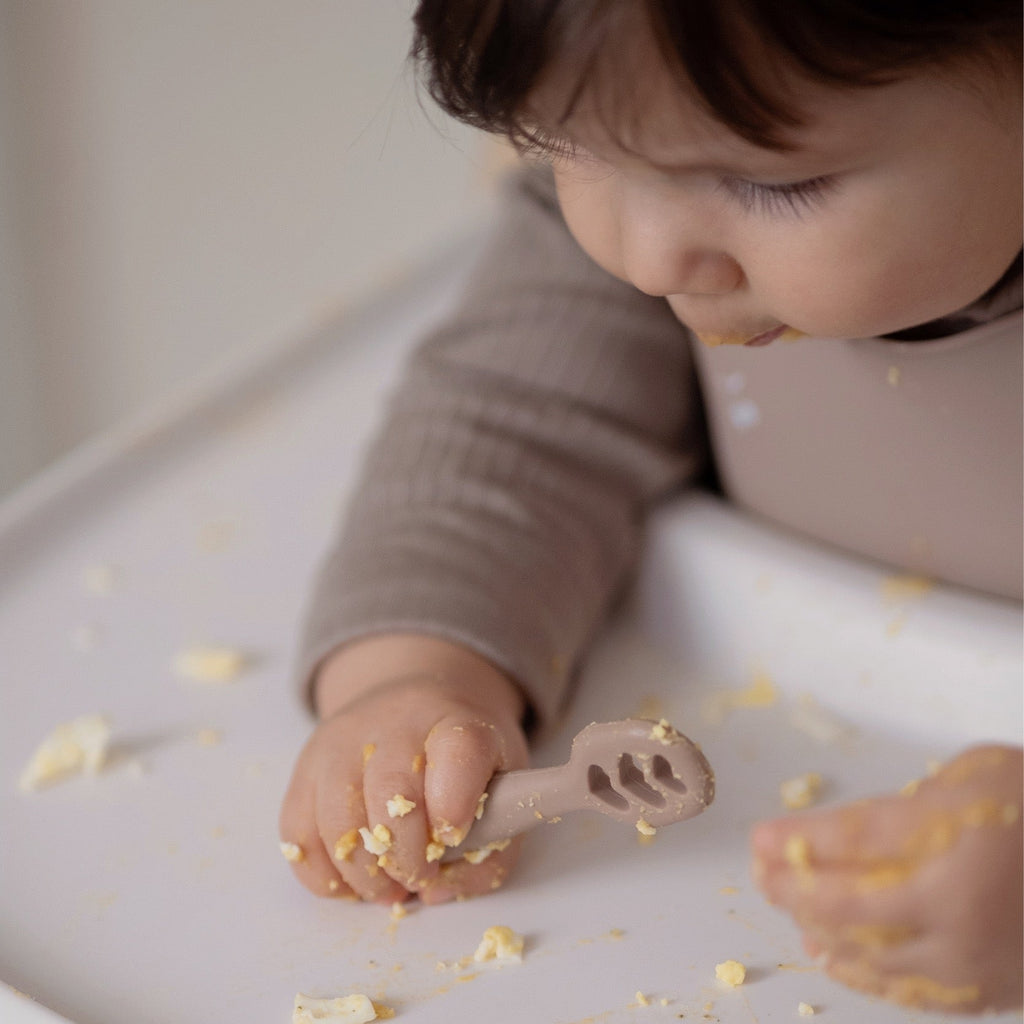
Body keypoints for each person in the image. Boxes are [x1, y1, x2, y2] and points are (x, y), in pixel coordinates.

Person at [280, 1, 1023, 1012]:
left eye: (774, 183)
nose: (648, 256)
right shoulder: (654, 179)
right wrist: (415, 675)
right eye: (567, 148)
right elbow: (514, 428)